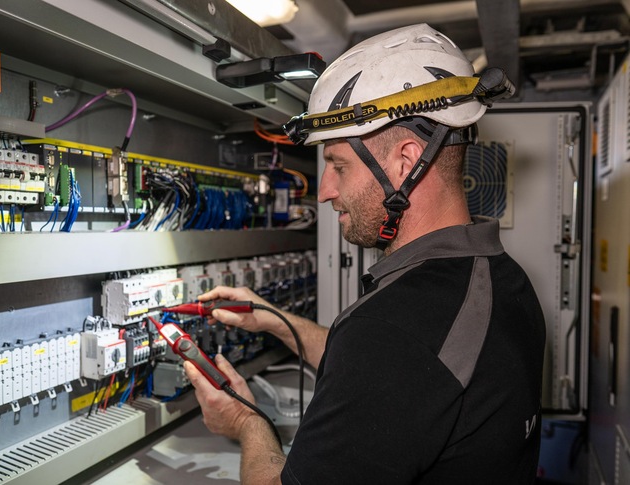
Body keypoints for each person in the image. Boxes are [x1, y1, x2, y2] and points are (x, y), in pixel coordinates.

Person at [183, 23, 546, 484]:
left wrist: (247, 423)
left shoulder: (391, 330)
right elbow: (402, 377)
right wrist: (275, 319)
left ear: (405, 161)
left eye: (338, 165)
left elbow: (389, 358)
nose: (325, 192)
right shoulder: (503, 278)